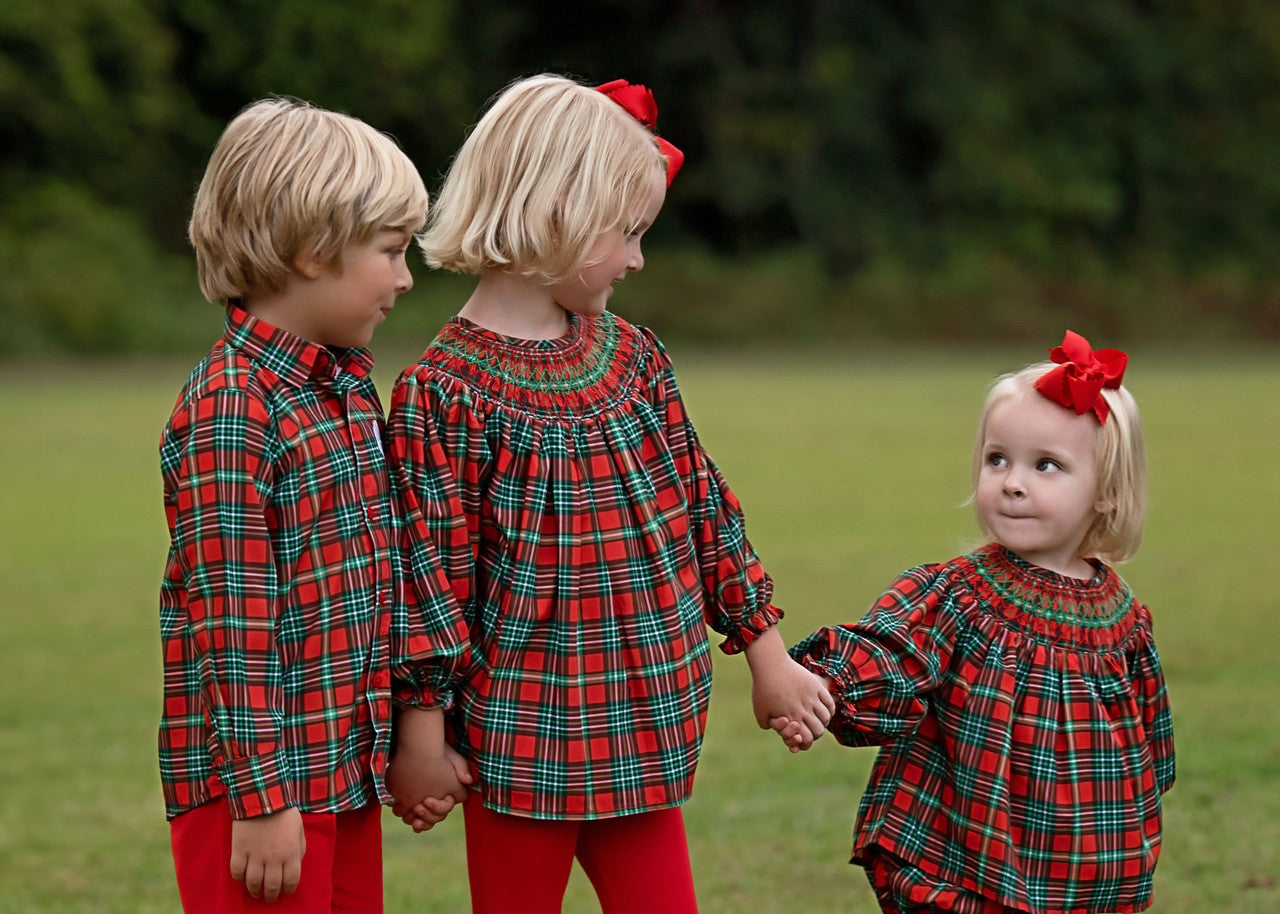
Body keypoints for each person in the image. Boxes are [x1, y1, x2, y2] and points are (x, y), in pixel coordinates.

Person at [384, 74, 835, 914]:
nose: (636, 258)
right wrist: (420, 737)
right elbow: (426, 587)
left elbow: (705, 511)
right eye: (626, 232)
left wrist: (767, 656)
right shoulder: (442, 394)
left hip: (644, 724)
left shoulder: (633, 359)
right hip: (521, 741)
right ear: (557, 210)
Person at [158, 97, 469, 913]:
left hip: (343, 769)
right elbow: (231, 618)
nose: (406, 277)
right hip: (256, 796)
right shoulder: (232, 408)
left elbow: (399, 572)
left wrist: (413, 732)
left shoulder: (349, 392)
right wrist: (261, 802)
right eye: (392, 251)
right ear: (308, 250)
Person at [771, 331, 1176, 913]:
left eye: (1047, 465)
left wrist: (1134, 820)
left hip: (1087, 856)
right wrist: (823, 692)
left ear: (1106, 493)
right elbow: (891, 656)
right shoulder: (959, 594)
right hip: (968, 848)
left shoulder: (1125, 620)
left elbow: (1148, 743)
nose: (1013, 481)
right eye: (997, 459)